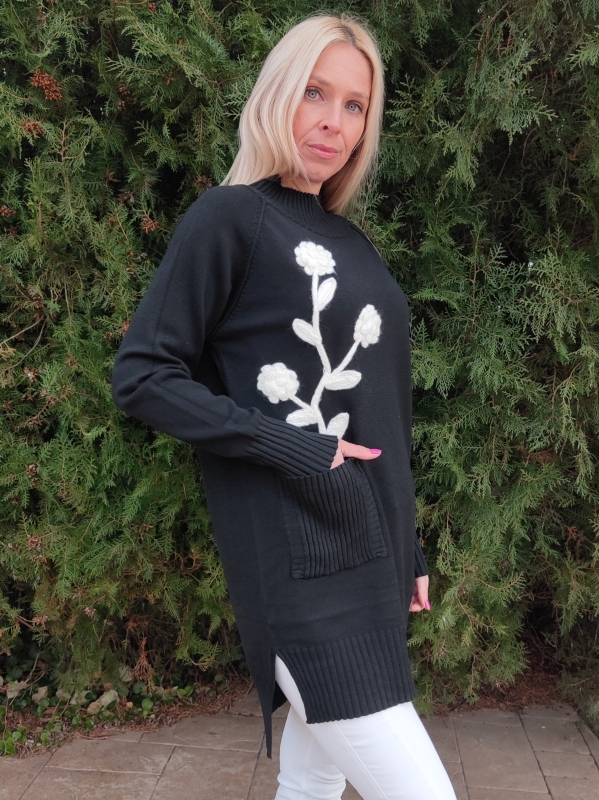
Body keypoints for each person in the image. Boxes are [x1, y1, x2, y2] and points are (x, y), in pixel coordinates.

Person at [111, 13, 456, 800]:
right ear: (276, 95)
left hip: (367, 564)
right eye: (314, 93)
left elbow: (379, 419)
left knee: (310, 786)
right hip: (304, 574)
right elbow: (142, 375)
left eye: (354, 105)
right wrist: (298, 448)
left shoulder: (349, 243)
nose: (333, 122)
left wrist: (408, 548)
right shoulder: (230, 218)